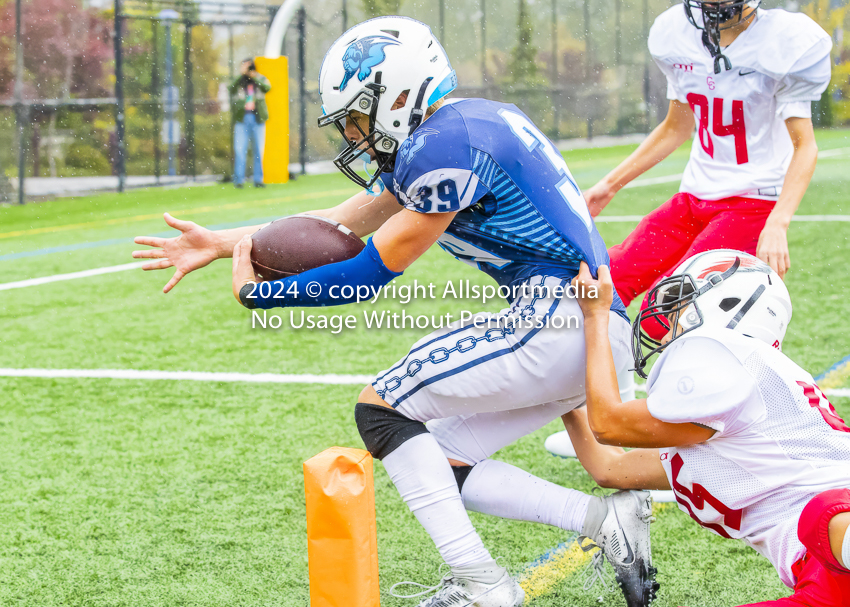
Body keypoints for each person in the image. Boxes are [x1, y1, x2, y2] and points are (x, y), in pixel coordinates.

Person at [134, 16, 659, 607]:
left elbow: (366, 275)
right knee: (440, 455)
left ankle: (483, 585)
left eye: (359, 117)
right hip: (583, 327)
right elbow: (341, 222)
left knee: (380, 409)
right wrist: (226, 243)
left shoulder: (448, 146)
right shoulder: (464, 125)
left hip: (558, 318)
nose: (355, 135)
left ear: (398, 94)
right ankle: (600, 521)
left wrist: (264, 294)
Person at [545, 0, 832, 457]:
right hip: (694, 196)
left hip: (753, 202)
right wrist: (608, 186)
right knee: (608, 283)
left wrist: (779, 219)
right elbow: (677, 125)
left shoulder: (788, 42)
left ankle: (674, 442)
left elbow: (805, 146)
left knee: (680, 312)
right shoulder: (675, 33)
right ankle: (621, 415)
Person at [562, 248, 850, 607]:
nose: (668, 323)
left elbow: (607, 423)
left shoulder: (726, 354)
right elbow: (608, 467)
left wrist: (595, 317)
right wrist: (561, 398)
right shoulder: (722, 435)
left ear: (730, 306)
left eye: (681, 307)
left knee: (822, 517)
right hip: (821, 578)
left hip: (836, 525)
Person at [229, 58, 271, 188]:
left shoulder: (260, 79)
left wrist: (254, 76)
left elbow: (267, 87)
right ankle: (239, 180)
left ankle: (258, 180)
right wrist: (242, 74)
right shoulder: (238, 81)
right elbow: (230, 88)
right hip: (242, 119)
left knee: (258, 149)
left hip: (257, 118)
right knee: (240, 149)